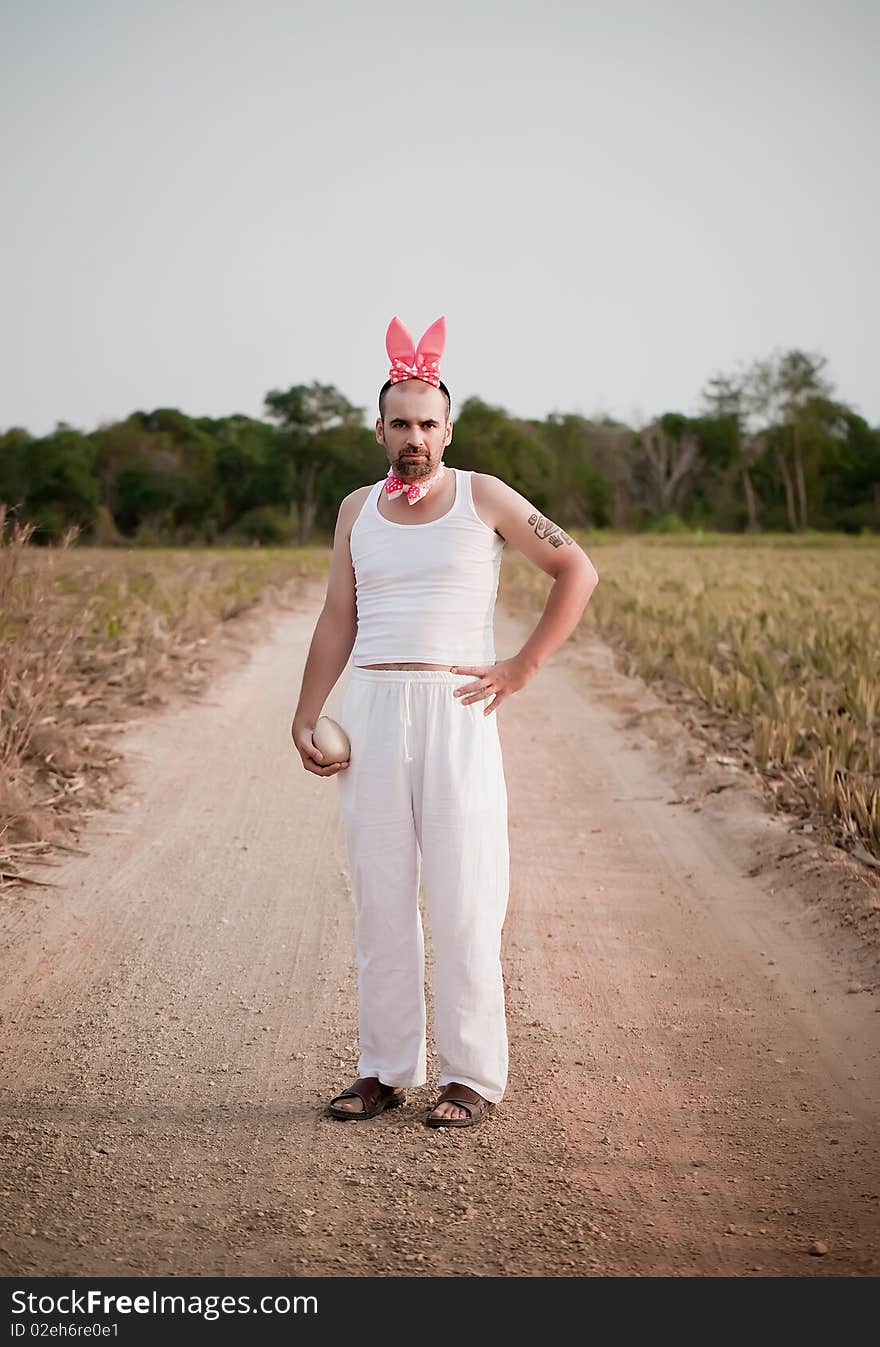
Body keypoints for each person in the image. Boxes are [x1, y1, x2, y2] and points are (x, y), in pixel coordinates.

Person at [291, 315, 598, 1127]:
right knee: (380, 897)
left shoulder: (483, 495)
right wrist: (306, 711)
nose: (415, 436)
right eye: (401, 422)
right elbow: (335, 617)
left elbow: (577, 566)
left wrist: (521, 666)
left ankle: (470, 1076)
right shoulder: (357, 509)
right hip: (373, 712)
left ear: (447, 428)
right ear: (380, 427)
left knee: (466, 896)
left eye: (429, 423)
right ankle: (384, 1069)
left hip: (459, 711)